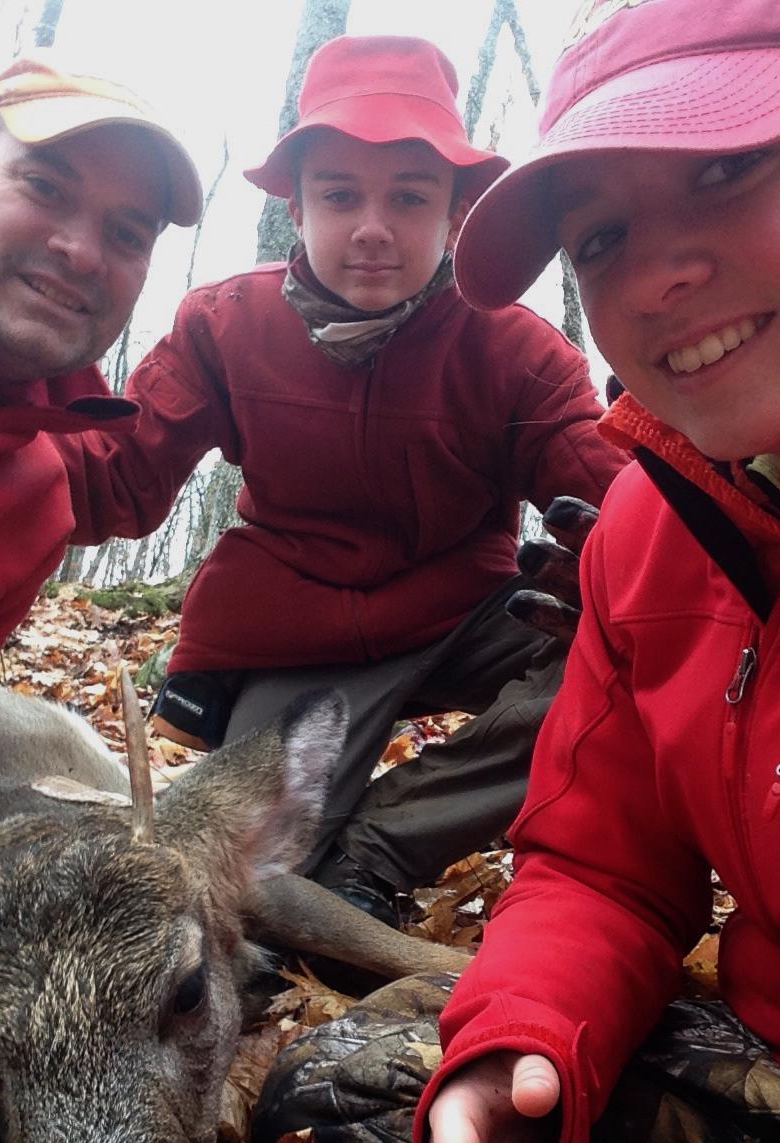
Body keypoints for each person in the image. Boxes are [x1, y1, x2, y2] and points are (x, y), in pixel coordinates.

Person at [406, 0, 780, 1143]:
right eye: (601, 236)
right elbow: (604, 864)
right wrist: (520, 1048)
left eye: (728, 164)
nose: (657, 276)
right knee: (352, 1104)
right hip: (777, 1076)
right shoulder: (648, 526)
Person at [136, 34, 626, 924]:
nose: (372, 227)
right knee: (227, 895)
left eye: (409, 196)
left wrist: (703, 459)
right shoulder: (221, 325)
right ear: (297, 202)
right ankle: (307, 849)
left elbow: (621, 499)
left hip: (467, 617)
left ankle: (383, 845)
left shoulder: (513, 349)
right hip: (299, 635)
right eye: (339, 194)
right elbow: (113, 483)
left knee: (636, 665)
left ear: (454, 211)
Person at [0, 57, 208, 1030]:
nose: (80, 250)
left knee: (87, 801)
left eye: (127, 233)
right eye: (46, 187)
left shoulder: (36, 495)